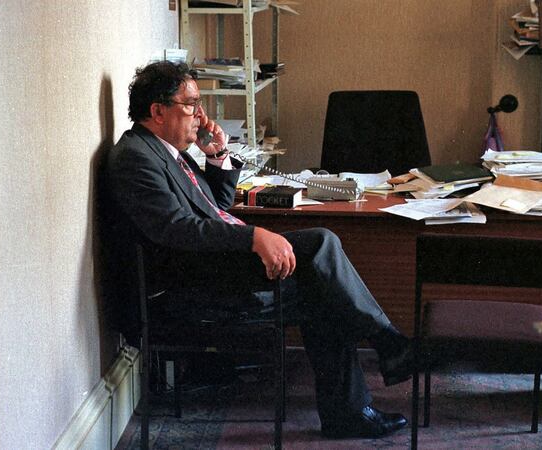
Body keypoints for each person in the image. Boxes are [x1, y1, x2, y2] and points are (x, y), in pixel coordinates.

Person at [100, 61, 416, 439]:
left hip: (207, 266)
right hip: (188, 286)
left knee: (324, 289)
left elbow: (214, 206)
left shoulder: (165, 151)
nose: (200, 116)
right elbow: (176, 230)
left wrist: (218, 156)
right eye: (191, 104)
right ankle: (387, 345)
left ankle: (351, 410)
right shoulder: (136, 157)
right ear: (157, 110)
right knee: (321, 242)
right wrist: (253, 237)